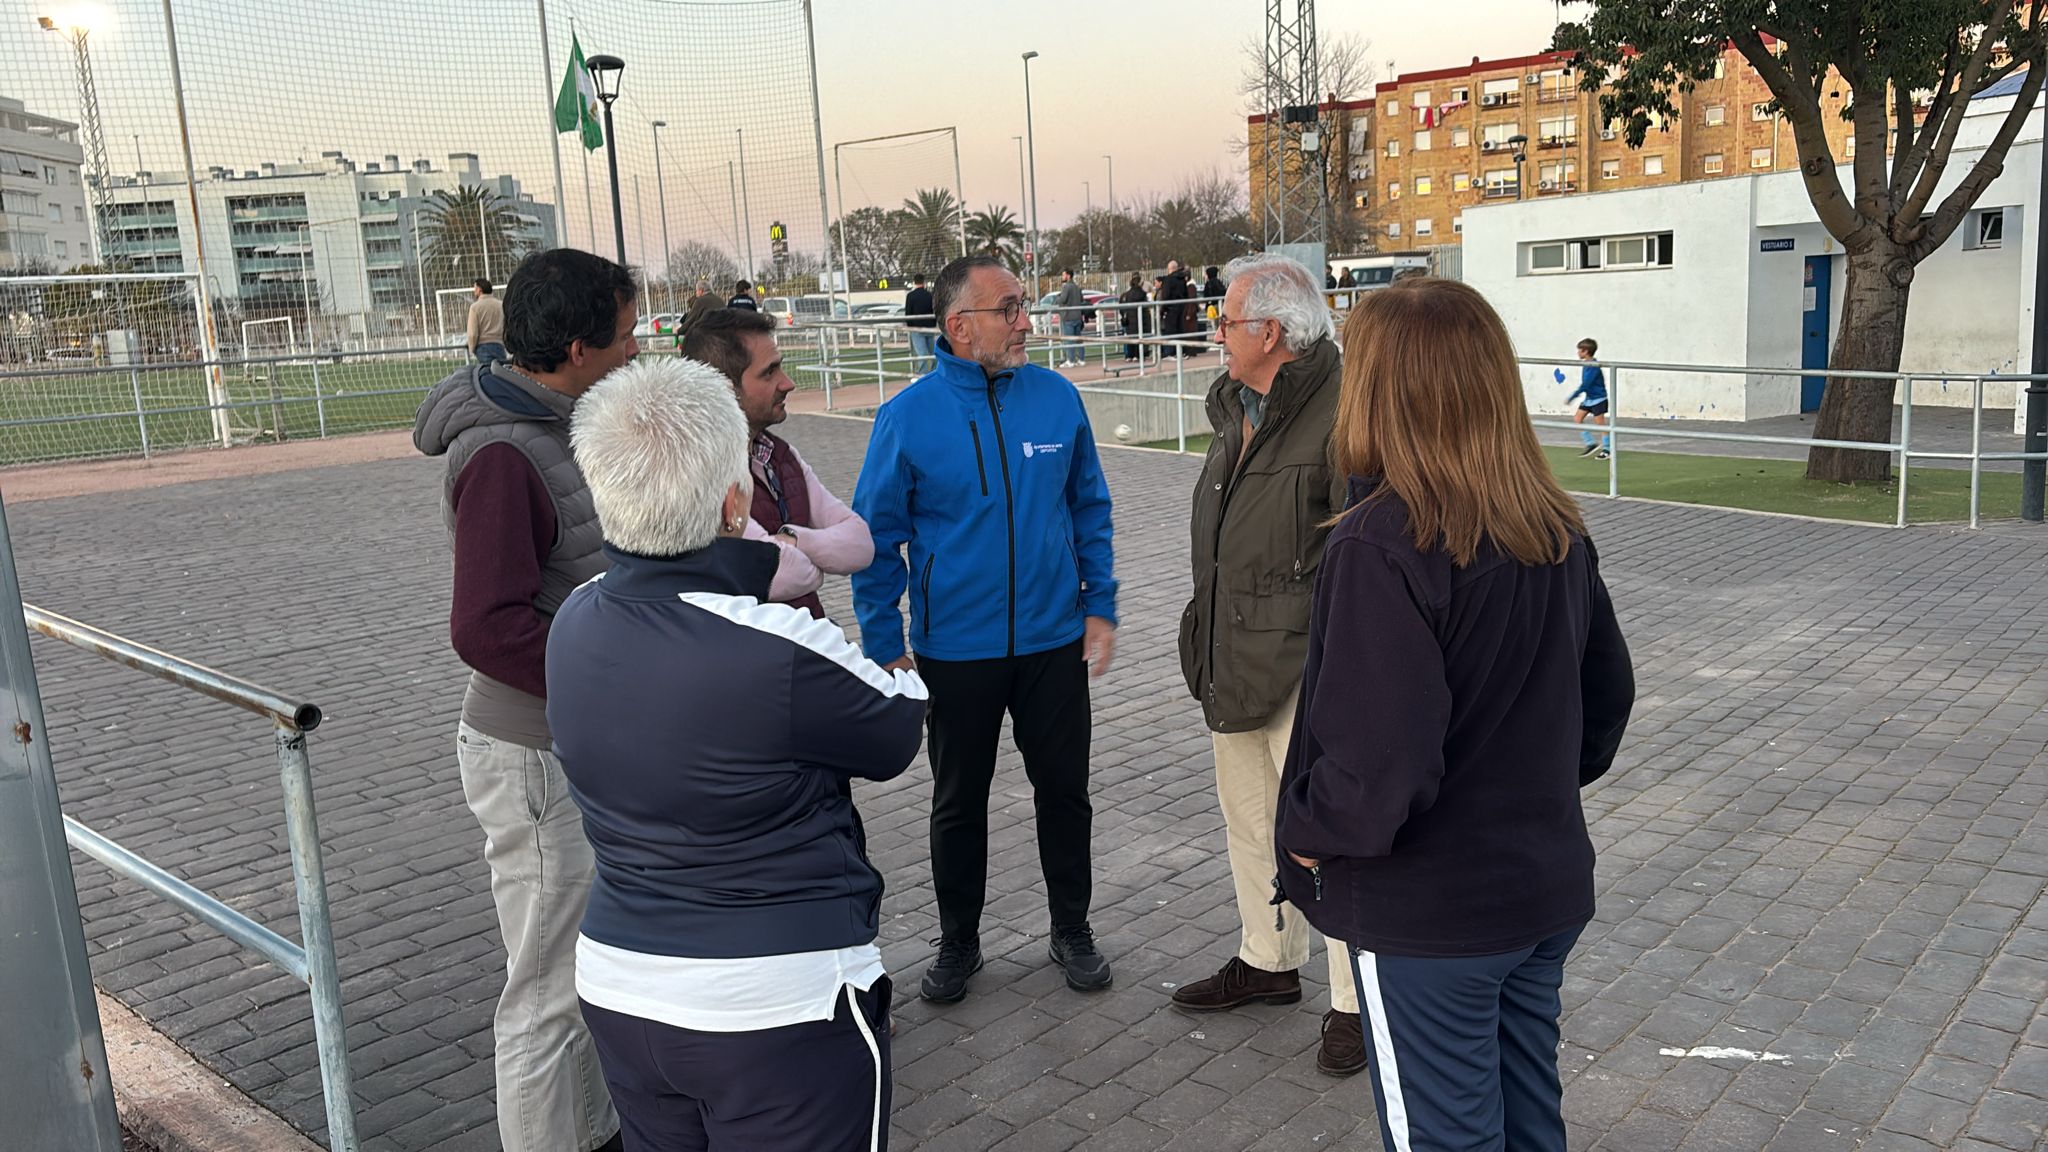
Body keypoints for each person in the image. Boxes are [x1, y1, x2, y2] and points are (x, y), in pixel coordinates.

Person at [1274, 277, 1635, 1152]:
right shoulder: (1553, 525)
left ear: (1380, 387)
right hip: (1538, 887)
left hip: (1431, 917)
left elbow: (1380, 765)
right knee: (1527, 1123)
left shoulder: (1380, 541)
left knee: (1449, 1137)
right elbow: (1604, 703)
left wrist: (1309, 836)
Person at [551, 355, 925, 1152]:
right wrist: (911, 666)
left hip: (622, 984)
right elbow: (896, 726)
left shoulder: (574, 618)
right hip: (774, 999)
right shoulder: (778, 643)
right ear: (734, 502)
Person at [412, 247, 640, 1152]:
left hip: (574, 739)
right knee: (546, 993)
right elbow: (484, 626)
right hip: (534, 754)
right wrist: (612, 675)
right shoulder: (506, 453)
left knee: (580, 974)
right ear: (578, 349)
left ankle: (591, 1131)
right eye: (626, 337)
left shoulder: (555, 424)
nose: (636, 352)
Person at [851, 253, 1119, 1004]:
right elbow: (876, 541)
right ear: (959, 325)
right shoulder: (906, 417)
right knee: (958, 802)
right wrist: (885, 647)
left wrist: (1099, 604)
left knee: (1064, 794)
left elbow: (1089, 507)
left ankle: (1072, 929)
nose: (1026, 322)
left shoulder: (1057, 399)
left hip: (1052, 643)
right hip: (954, 653)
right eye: (1009, 309)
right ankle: (959, 942)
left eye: (1024, 305)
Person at [1172, 253, 1363, 1075]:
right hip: (1231, 652)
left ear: (1272, 332)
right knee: (1250, 819)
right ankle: (1269, 958)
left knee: (1329, 836)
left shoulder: (1344, 410)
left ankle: (1356, 1001)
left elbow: (1360, 552)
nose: (1215, 332)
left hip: (1305, 665)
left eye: (1226, 320)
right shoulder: (1235, 405)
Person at [683, 307, 873, 618]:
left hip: (807, 640)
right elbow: (781, 574)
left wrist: (792, 539)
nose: (788, 383)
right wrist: (813, 555)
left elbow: (861, 544)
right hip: (750, 646)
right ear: (723, 389)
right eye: (769, 372)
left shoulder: (779, 455)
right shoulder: (695, 471)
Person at [1568, 337, 1610, 459]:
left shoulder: (1593, 366)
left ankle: (1607, 449)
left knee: (1600, 424)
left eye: (1579, 350)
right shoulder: (1586, 364)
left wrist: (1573, 396)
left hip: (1599, 399)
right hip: (1589, 399)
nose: (1578, 353)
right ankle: (1590, 443)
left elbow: (1586, 384)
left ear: (1585, 351)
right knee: (1577, 418)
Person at [1053, 268, 1087, 368]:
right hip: (1078, 316)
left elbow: (1063, 300)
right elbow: (1081, 299)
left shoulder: (1066, 287)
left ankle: (1070, 360)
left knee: (1069, 339)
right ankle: (1081, 359)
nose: (1062, 277)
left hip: (1068, 317)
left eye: (1063, 275)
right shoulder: (1077, 287)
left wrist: (1057, 298)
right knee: (1078, 339)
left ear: (1068, 276)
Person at [467, 277, 505, 364]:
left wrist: (472, 348)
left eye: (475, 288)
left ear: (479, 289)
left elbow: (473, 333)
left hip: (483, 346)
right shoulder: (501, 305)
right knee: (500, 370)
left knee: (486, 371)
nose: (474, 291)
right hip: (499, 345)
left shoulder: (475, 307)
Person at [904, 272, 937, 372]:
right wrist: (933, 324)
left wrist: (910, 327)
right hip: (929, 328)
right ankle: (935, 372)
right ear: (924, 282)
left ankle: (922, 373)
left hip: (916, 328)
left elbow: (908, 313)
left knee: (922, 354)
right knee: (933, 353)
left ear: (914, 282)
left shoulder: (910, 296)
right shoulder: (930, 295)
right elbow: (934, 310)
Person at [1159, 260, 1191, 354]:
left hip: (1170, 309)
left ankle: (1171, 352)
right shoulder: (1182, 279)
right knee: (1181, 329)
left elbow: (1165, 296)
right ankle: (1182, 351)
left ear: (1169, 269)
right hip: (1181, 307)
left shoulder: (1168, 280)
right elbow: (1186, 294)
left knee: (1170, 331)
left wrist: (1162, 310)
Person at [1118, 273, 1147, 361]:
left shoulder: (1126, 295)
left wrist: (1124, 315)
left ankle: (1129, 355)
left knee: (1130, 337)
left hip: (1129, 319)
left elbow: (1121, 308)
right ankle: (1137, 355)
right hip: (1140, 318)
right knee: (1140, 337)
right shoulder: (1142, 294)